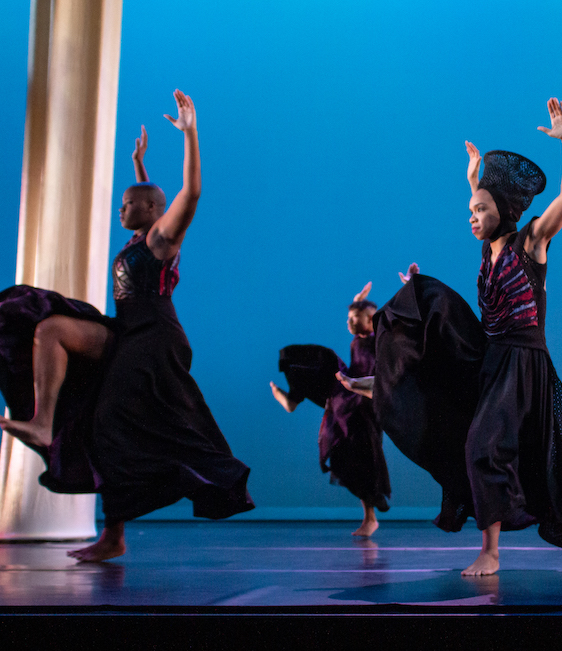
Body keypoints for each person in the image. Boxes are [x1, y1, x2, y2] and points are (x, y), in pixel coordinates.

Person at [0, 90, 254, 562]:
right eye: (122, 203)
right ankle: (43, 424)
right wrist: (140, 165)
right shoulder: (144, 234)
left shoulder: (161, 239)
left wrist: (191, 134)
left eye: (129, 203)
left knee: (111, 426)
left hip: (155, 339)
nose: (121, 208)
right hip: (126, 332)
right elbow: (150, 201)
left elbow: (189, 194)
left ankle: (120, 528)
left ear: (154, 212)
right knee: (50, 329)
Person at [372, 98, 562, 576]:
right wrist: (473, 180)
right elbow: (482, 205)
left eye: (480, 209)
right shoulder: (487, 253)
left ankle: (491, 551)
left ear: (501, 211)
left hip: (523, 363)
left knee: (484, 444)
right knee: (424, 298)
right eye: (469, 209)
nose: (471, 216)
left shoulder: (530, 244)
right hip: (490, 356)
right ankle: (378, 377)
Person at [270, 271, 414, 537]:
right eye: (348, 319)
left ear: (371, 321)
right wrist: (356, 303)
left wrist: (408, 286)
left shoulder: (380, 338)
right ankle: (293, 398)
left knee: (364, 457)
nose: (349, 324)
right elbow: (358, 321)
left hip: (366, 400)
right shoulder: (356, 339)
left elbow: (392, 323)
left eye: (355, 320)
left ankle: (370, 516)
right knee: (312, 359)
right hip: (347, 396)